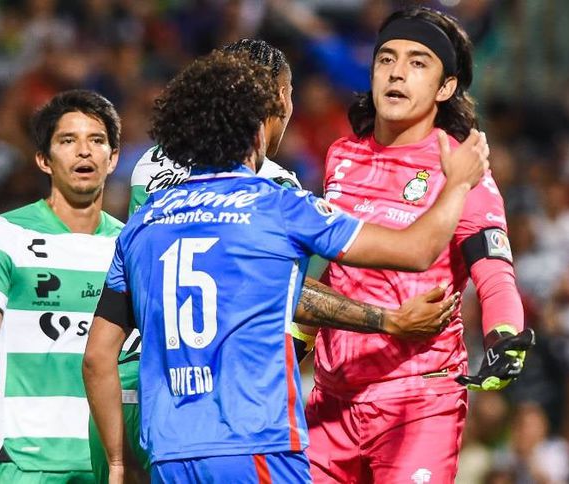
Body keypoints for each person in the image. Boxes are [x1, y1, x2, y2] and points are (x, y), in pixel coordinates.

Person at [83, 50, 488, 483]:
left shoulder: (144, 222)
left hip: (170, 450)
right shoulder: (278, 205)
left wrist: (118, 461)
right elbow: (417, 250)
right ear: (259, 128)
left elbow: (97, 358)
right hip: (255, 442)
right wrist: (458, 184)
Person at [304, 6, 536, 483]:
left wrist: (503, 335)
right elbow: (340, 269)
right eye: (386, 59)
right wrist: (298, 338)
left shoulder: (462, 169)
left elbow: (494, 272)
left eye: (417, 62)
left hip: (419, 400)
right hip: (331, 401)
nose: (397, 72)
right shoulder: (342, 156)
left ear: (445, 87)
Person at [0, 89, 124, 483]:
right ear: (44, 159)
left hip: (104, 462)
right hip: (24, 462)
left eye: (96, 140)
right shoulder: (2, 235)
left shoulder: (129, 246)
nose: (84, 151)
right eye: (68, 140)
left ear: (112, 158)